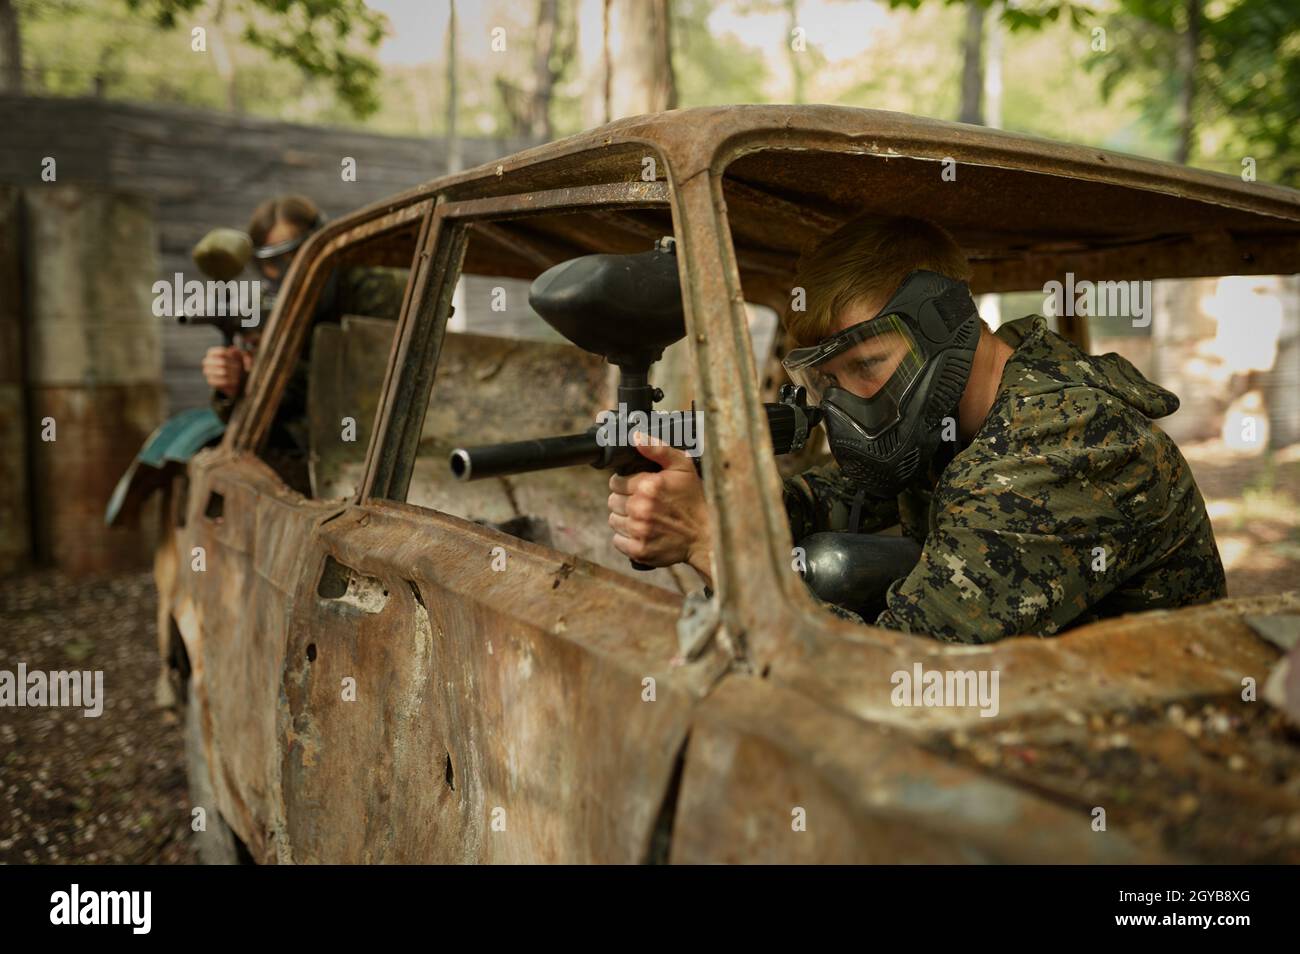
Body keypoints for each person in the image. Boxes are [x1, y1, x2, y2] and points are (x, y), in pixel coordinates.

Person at [606, 215, 1227, 643]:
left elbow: (889, 674)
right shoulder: (954, 419)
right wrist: (713, 499)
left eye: (868, 366)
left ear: (945, 325)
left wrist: (710, 543)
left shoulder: (1065, 442)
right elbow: (839, 497)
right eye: (831, 379)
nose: (848, 400)